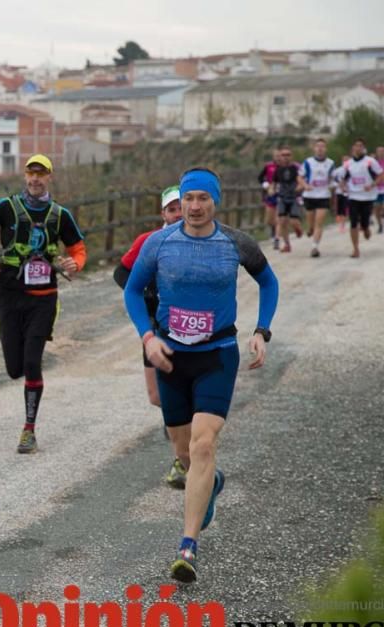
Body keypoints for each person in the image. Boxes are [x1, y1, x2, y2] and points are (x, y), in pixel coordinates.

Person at [123, 167, 279, 583]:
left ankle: (187, 546)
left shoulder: (235, 243)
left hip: (217, 354)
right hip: (172, 356)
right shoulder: (159, 243)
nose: (194, 206)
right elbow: (132, 290)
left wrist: (261, 330)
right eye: (188, 198)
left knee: (204, 442)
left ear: (215, 202)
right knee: (185, 452)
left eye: (202, 199)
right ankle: (210, 482)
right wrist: (148, 337)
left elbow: (269, 281)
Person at [0, 154, 86, 454]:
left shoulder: (60, 215)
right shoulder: (8, 207)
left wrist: (75, 264)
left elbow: (78, 249)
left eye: (41, 174)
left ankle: (29, 430)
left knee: (32, 362)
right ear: (25, 176)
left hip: (44, 299)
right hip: (9, 296)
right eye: (31, 174)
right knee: (14, 368)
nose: (36, 179)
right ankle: (27, 383)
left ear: (49, 177)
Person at [113, 184, 188, 488]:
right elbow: (121, 273)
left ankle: (182, 460)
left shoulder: (199, 242)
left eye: (181, 207)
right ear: (163, 213)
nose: (178, 213)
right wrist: (145, 293)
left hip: (186, 328)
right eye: (172, 209)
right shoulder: (148, 241)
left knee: (181, 393)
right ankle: (180, 426)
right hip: (155, 329)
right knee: (157, 396)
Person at [335, 139, 384, 258]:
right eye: (356, 146)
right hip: (353, 196)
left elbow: (381, 175)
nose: (358, 148)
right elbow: (341, 178)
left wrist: (372, 185)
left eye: (361, 146)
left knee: (364, 224)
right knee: (353, 223)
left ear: (364, 148)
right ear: (352, 148)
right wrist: (343, 187)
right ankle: (355, 249)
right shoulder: (348, 164)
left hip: (368, 196)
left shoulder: (370, 161)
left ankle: (366, 228)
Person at [300, 139, 335, 258]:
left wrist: (332, 185)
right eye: (318, 146)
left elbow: (332, 178)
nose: (320, 149)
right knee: (311, 224)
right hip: (309, 195)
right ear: (314, 148)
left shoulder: (330, 163)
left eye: (322, 146)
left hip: (323, 195)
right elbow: (299, 177)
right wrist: (305, 185)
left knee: (319, 223)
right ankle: (310, 229)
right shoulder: (308, 162)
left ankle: (315, 247)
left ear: (326, 149)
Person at [272, 146, 303, 253]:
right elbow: (274, 182)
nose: (285, 157)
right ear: (280, 157)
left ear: (291, 156)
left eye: (288, 155)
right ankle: (287, 244)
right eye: (283, 155)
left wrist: (300, 186)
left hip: (294, 197)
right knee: (282, 221)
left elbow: (301, 180)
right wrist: (271, 190)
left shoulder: (296, 168)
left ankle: (298, 228)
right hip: (282, 197)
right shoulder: (278, 170)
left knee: (294, 221)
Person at [258, 151, 280, 249]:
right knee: (269, 219)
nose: (278, 158)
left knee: (277, 218)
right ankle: (273, 231)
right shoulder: (268, 166)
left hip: (281, 195)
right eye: (276, 156)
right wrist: (266, 185)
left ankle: (276, 238)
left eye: (280, 156)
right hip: (270, 195)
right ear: (273, 156)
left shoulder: (285, 167)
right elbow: (260, 178)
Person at [332, 155, 350, 234]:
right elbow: (332, 181)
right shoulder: (337, 170)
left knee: (347, 209)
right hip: (339, 192)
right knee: (341, 209)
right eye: (344, 160)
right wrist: (339, 185)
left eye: (347, 160)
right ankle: (341, 225)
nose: (346, 161)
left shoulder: (352, 169)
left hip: (350, 193)